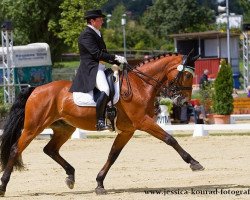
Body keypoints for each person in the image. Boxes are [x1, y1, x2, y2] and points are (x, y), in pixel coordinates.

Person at [69, 9, 127, 131]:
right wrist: (115, 57)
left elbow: (103, 54)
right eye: (100, 19)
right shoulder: (86, 35)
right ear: (92, 20)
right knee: (105, 89)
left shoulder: (97, 33)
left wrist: (117, 62)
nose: (102, 21)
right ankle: (100, 121)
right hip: (91, 69)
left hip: (100, 67)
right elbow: (97, 54)